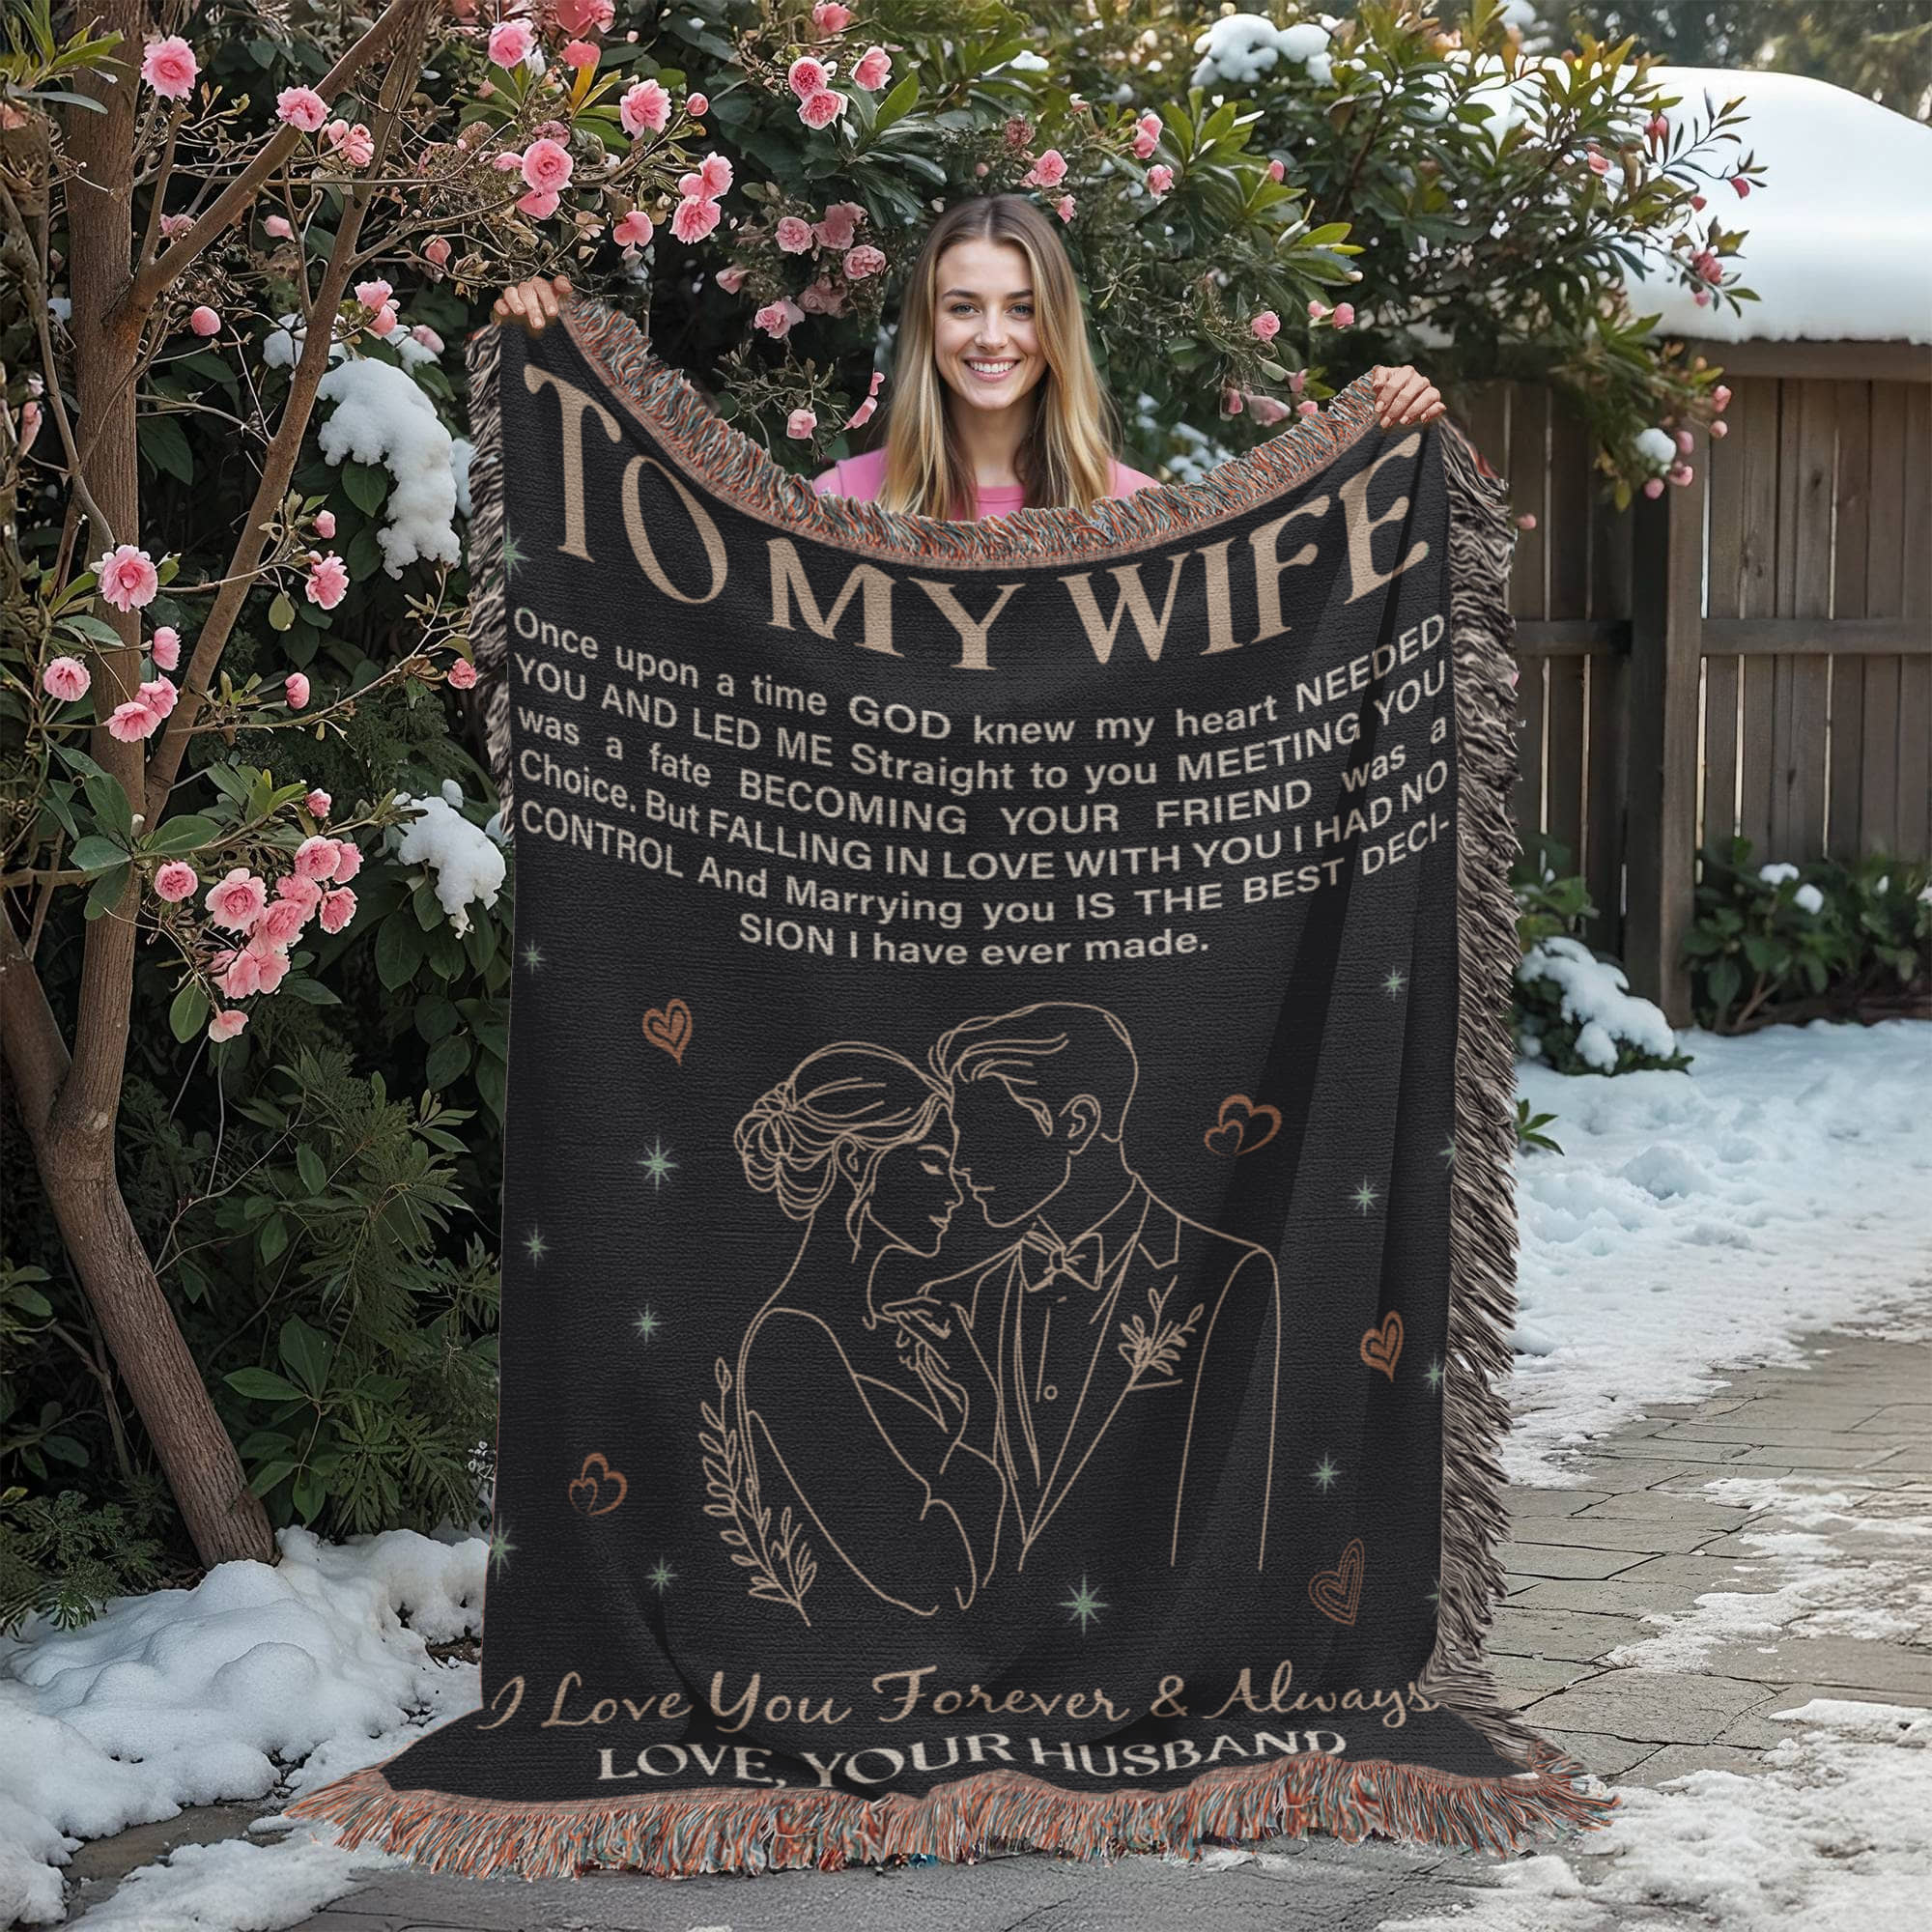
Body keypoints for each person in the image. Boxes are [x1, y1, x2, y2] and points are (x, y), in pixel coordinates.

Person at [491, 200, 1444, 523]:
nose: (992, 336)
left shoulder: (1139, 517)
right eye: (963, 307)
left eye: (1021, 309)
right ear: (928, 327)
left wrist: (1386, 433)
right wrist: (555, 363)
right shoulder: (840, 507)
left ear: (1055, 329)